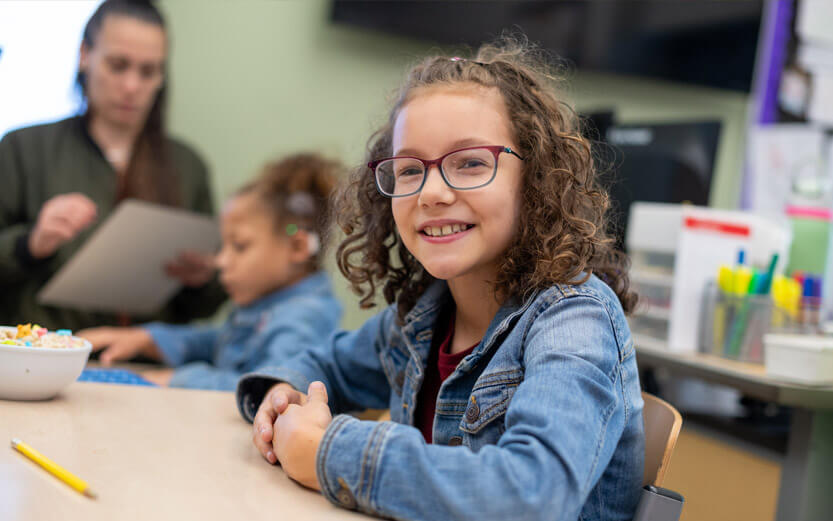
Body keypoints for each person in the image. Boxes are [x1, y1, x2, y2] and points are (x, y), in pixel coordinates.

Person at [237, 38, 645, 521]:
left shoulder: (575, 320)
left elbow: (532, 495)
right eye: (409, 169)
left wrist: (329, 451)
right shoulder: (423, 316)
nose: (431, 192)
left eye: (470, 162)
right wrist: (284, 392)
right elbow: (325, 365)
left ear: (535, 179)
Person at [0, 0, 223, 331]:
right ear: (85, 55)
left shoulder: (187, 166)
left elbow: (209, 301)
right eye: (118, 66)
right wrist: (32, 243)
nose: (132, 86)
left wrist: (203, 278)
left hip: (148, 363)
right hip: (46, 352)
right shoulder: (23, 148)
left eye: (148, 71)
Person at [78, 154, 344, 390]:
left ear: (297, 247)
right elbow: (220, 342)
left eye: (239, 247)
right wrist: (148, 338)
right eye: (222, 246)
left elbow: (269, 387)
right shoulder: (265, 304)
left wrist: (179, 379)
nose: (221, 262)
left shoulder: (304, 319)